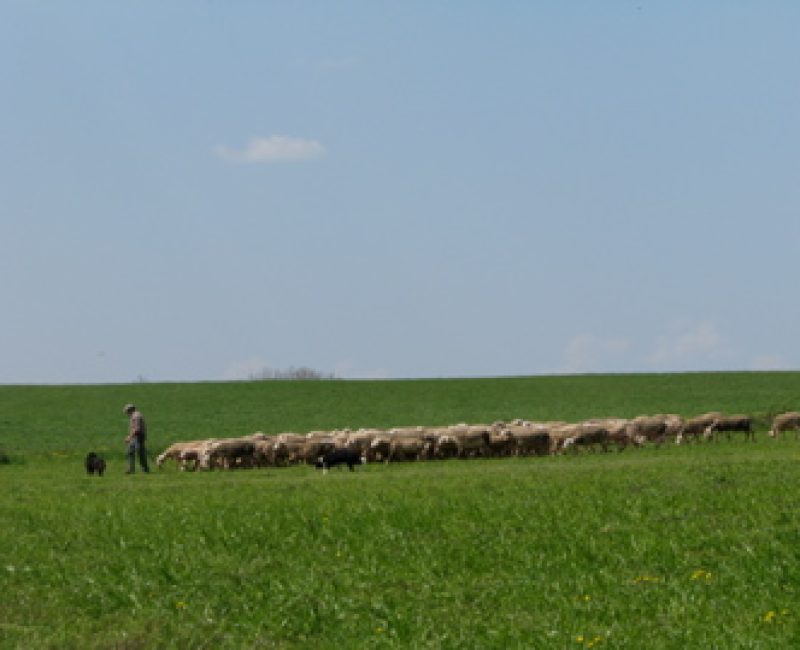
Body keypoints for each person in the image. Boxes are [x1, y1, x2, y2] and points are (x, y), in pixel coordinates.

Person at [123, 403, 150, 474]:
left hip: (138, 437)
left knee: (140, 454)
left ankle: (145, 469)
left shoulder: (136, 416)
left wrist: (129, 437)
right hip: (134, 437)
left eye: (127, 411)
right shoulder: (133, 416)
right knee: (130, 452)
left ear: (130, 410)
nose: (127, 413)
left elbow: (137, 429)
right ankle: (130, 469)